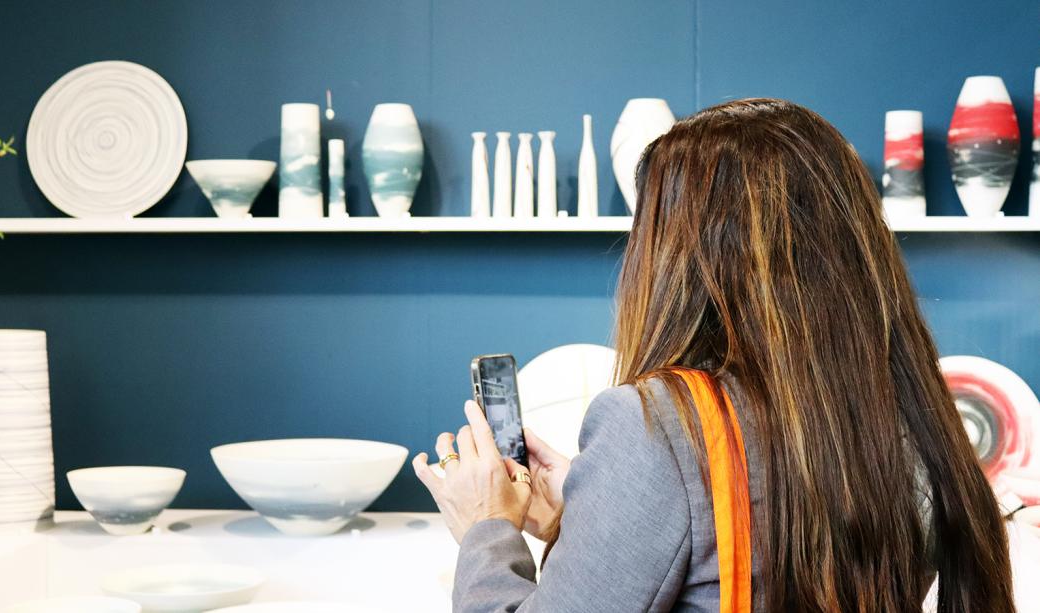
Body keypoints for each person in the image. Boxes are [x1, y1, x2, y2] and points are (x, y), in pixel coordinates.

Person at [413, 99, 1015, 612]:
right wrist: (595, 513)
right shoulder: (910, 417)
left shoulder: (651, 425)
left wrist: (487, 527)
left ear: (675, 255)